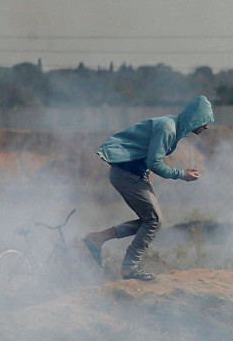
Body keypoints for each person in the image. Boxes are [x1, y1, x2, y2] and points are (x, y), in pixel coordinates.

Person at [84, 96, 214, 281]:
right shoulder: (168, 129)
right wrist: (182, 174)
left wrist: (145, 170)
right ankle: (129, 267)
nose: (207, 126)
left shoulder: (173, 127)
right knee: (154, 221)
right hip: (127, 174)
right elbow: (155, 162)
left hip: (130, 173)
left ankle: (98, 238)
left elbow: (144, 152)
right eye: (205, 120)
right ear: (195, 117)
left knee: (151, 221)